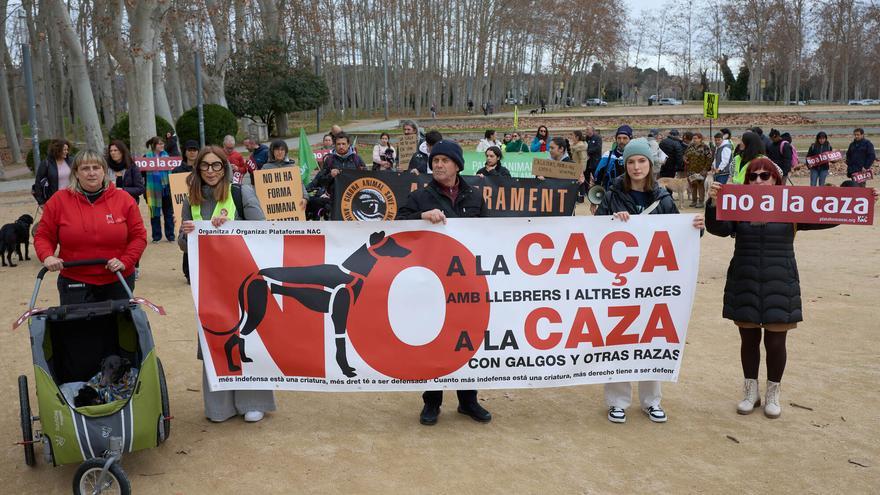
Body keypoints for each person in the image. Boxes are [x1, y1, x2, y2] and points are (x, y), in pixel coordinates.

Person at [705, 158, 877, 418]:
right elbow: (718, 228)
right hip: (745, 279)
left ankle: (773, 392)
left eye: (765, 176)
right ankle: (750, 391)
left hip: (780, 281)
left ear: (776, 179)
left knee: (776, 342)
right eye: (753, 177)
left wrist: (860, 200)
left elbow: (829, 214)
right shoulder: (737, 205)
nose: (759, 181)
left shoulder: (792, 205)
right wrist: (713, 204)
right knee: (748, 341)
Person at [594, 138, 705, 424]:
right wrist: (611, 222)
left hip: (653, 283)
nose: (636, 167)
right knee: (617, 340)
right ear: (625, 164)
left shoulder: (664, 198)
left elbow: (681, 236)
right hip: (618, 283)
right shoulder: (611, 196)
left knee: (650, 339)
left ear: (650, 164)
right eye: (631, 162)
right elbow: (594, 235)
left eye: (641, 161)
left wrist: (695, 227)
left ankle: (651, 401)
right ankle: (617, 401)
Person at [396, 140, 491, 426]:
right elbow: (397, 224)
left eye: (444, 161)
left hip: (466, 283)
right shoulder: (421, 198)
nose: (438, 164)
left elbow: (490, 235)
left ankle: (468, 400)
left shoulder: (474, 197)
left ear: (457, 165)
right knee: (434, 340)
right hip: (431, 283)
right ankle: (432, 401)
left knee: (467, 339)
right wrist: (420, 218)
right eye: (435, 160)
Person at [178, 146, 276, 423]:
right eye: (205, 166)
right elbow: (183, 244)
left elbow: (263, 231)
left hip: (243, 278)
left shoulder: (240, 192)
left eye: (216, 166)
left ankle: (253, 400)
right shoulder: (191, 200)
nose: (211, 171)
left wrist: (233, 225)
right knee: (215, 337)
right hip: (208, 282)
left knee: (247, 334)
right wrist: (186, 235)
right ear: (197, 170)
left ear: (225, 167)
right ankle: (219, 406)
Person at [34, 150, 147, 304]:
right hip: (75, 279)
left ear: (104, 171)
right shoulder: (58, 201)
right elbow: (43, 235)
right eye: (85, 168)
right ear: (76, 173)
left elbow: (139, 236)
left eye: (96, 167)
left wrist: (126, 261)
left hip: (118, 278)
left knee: (118, 327)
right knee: (78, 328)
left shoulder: (124, 199)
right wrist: (47, 255)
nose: (91, 173)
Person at [172, 140, 199, 284]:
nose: (192, 152)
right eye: (190, 149)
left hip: (199, 208)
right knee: (186, 240)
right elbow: (174, 194)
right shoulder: (177, 170)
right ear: (185, 151)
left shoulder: (202, 169)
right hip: (184, 209)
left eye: (195, 149)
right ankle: (188, 273)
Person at [145, 136, 175, 243]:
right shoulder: (146, 157)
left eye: (163, 143)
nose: (162, 145)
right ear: (154, 145)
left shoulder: (167, 156)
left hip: (167, 188)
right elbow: (142, 173)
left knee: (168, 213)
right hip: (153, 190)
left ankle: (170, 236)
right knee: (155, 213)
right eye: (159, 144)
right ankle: (156, 236)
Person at [34, 139, 72, 205]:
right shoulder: (46, 163)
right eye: (64, 150)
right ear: (57, 150)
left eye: (67, 149)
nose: (66, 152)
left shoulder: (71, 161)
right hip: (54, 200)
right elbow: (38, 183)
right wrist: (41, 202)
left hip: (71, 198)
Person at [684, 132, 713, 208]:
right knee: (693, 186)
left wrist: (705, 169)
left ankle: (701, 202)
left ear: (700, 139)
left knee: (700, 186)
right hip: (691, 170)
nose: (694, 140)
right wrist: (685, 159)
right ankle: (694, 201)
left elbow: (709, 159)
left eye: (696, 138)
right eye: (693, 138)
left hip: (701, 171)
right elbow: (685, 155)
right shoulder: (690, 146)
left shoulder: (705, 147)